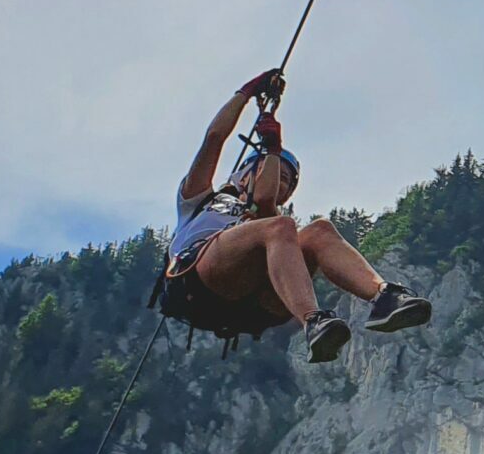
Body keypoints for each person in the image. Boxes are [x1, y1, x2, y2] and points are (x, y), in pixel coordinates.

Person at [159, 68, 431, 362]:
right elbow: (214, 138)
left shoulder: (271, 225)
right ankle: (313, 320)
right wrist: (247, 93)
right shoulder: (199, 200)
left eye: (287, 183)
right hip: (198, 281)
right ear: (245, 173)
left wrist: (273, 151)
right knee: (280, 226)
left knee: (319, 231)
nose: (282, 184)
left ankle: (383, 295)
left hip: (259, 301)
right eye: (276, 174)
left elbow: (264, 200)